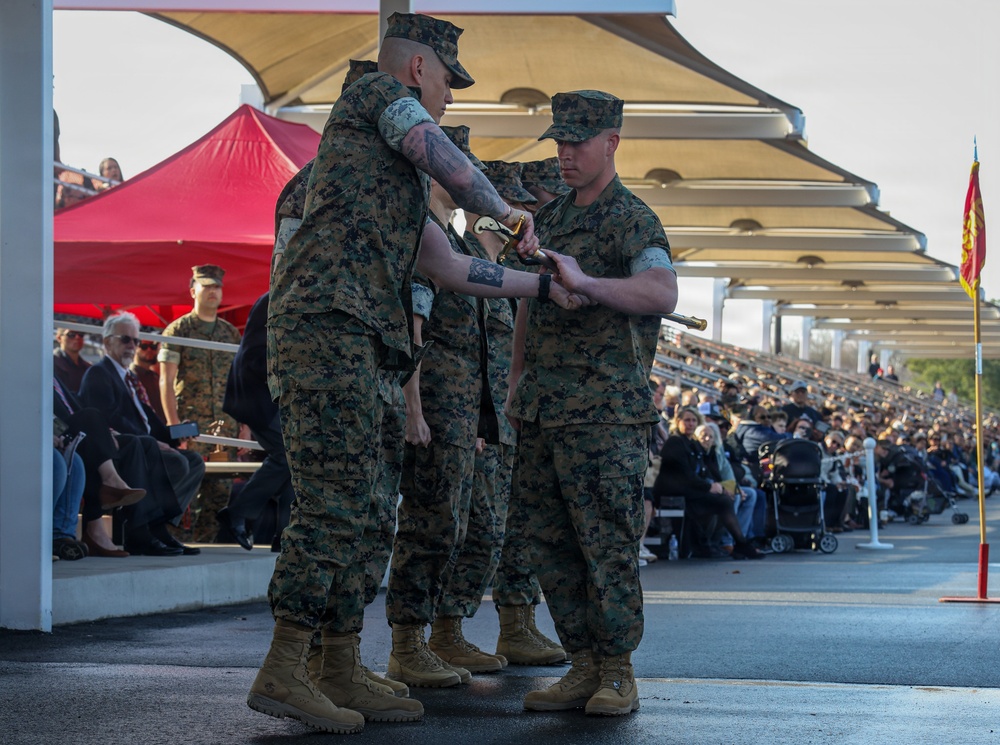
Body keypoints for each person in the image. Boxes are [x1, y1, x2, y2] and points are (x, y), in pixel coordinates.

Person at [252, 13, 585, 734]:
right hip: (328, 329)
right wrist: (506, 209)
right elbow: (440, 154)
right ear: (415, 70)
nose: (451, 97)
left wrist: (544, 288)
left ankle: (338, 662)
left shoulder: (396, 178)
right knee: (336, 504)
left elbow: (454, 266)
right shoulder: (373, 98)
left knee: (373, 511)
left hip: (371, 343)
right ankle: (285, 665)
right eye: (447, 80)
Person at [506, 90, 678, 718]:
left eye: (579, 140)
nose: (566, 152)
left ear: (612, 142)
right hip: (547, 408)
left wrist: (589, 283)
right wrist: (517, 380)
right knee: (550, 545)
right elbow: (532, 302)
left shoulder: (634, 220)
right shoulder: (552, 221)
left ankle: (617, 669)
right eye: (560, 140)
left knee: (605, 545)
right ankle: (581, 665)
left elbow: (660, 290)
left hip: (606, 416)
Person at [387, 134, 514, 685]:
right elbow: (414, 331)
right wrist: (413, 408)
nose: (467, 179)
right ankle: (408, 644)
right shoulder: (427, 234)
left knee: (458, 527)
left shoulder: (455, 243)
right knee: (429, 526)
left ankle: (442, 635)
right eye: (457, 167)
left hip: (461, 417)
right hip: (434, 413)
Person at [464, 156, 567, 667]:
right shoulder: (468, 257)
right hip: (476, 418)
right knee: (474, 528)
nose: (528, 219)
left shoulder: (521, 267)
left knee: (515, 527)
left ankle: (517, 624)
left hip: (510, 418)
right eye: (522, 208)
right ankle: (441, 632)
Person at [80, 312, 205, 556]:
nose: (133, 346)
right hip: (118, 450)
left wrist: (174, 435)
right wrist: (155, 442)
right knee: (176, 462)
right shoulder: (99, 374)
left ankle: (158, 525)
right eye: (125, 339)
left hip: (143, 443)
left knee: (195, 462)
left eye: (136, 341)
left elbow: (149, 422)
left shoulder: (130, 379)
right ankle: (145, 527)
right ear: (107, 342)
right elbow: (107, 420)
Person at [158, 264, 241, 541]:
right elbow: (165, 382)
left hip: (224, 427)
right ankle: (176, 542)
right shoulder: (177, 329)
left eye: (217, 287)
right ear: (193, 291)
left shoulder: (230, 334)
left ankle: (204, 545)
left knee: (220, 493)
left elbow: (238, 382)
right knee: (185, 490)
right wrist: (174, 427)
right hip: (190, 425)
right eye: (207, 286)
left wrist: (245, 426)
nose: (213, 292)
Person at [217, 293, 293, 552]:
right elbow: (255, 353)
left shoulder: (291, 293)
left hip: (269, 397)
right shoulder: (275, 298)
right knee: (288, 455)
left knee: (296, 458)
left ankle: (286, 534)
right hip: (257, 397)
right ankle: (238, 512)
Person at [653, 407, 764, 562]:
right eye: (687, 420)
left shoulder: (692, 443)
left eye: (693, 420)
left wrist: (720, 486)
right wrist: (709, 487)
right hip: (675, 490)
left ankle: (731, 543)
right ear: (678, 422)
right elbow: (686, 474)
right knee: (722, 501)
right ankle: (737, 543)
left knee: (724, 498)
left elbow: (704, 471)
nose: (690, 424)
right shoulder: (675, 442)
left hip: (690, 489)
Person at [130, 338, 166, 424]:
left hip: (160, 429)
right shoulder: (130, 376)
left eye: (153, 346)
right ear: (135, 348)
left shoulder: (154, 376)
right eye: (144, 346)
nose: (149, 350)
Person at [53, 328, 91, 393]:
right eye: (71, 334)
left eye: (81, 334)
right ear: (59, 338)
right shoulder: (51, 362)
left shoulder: (87, 367)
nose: (77, 337)